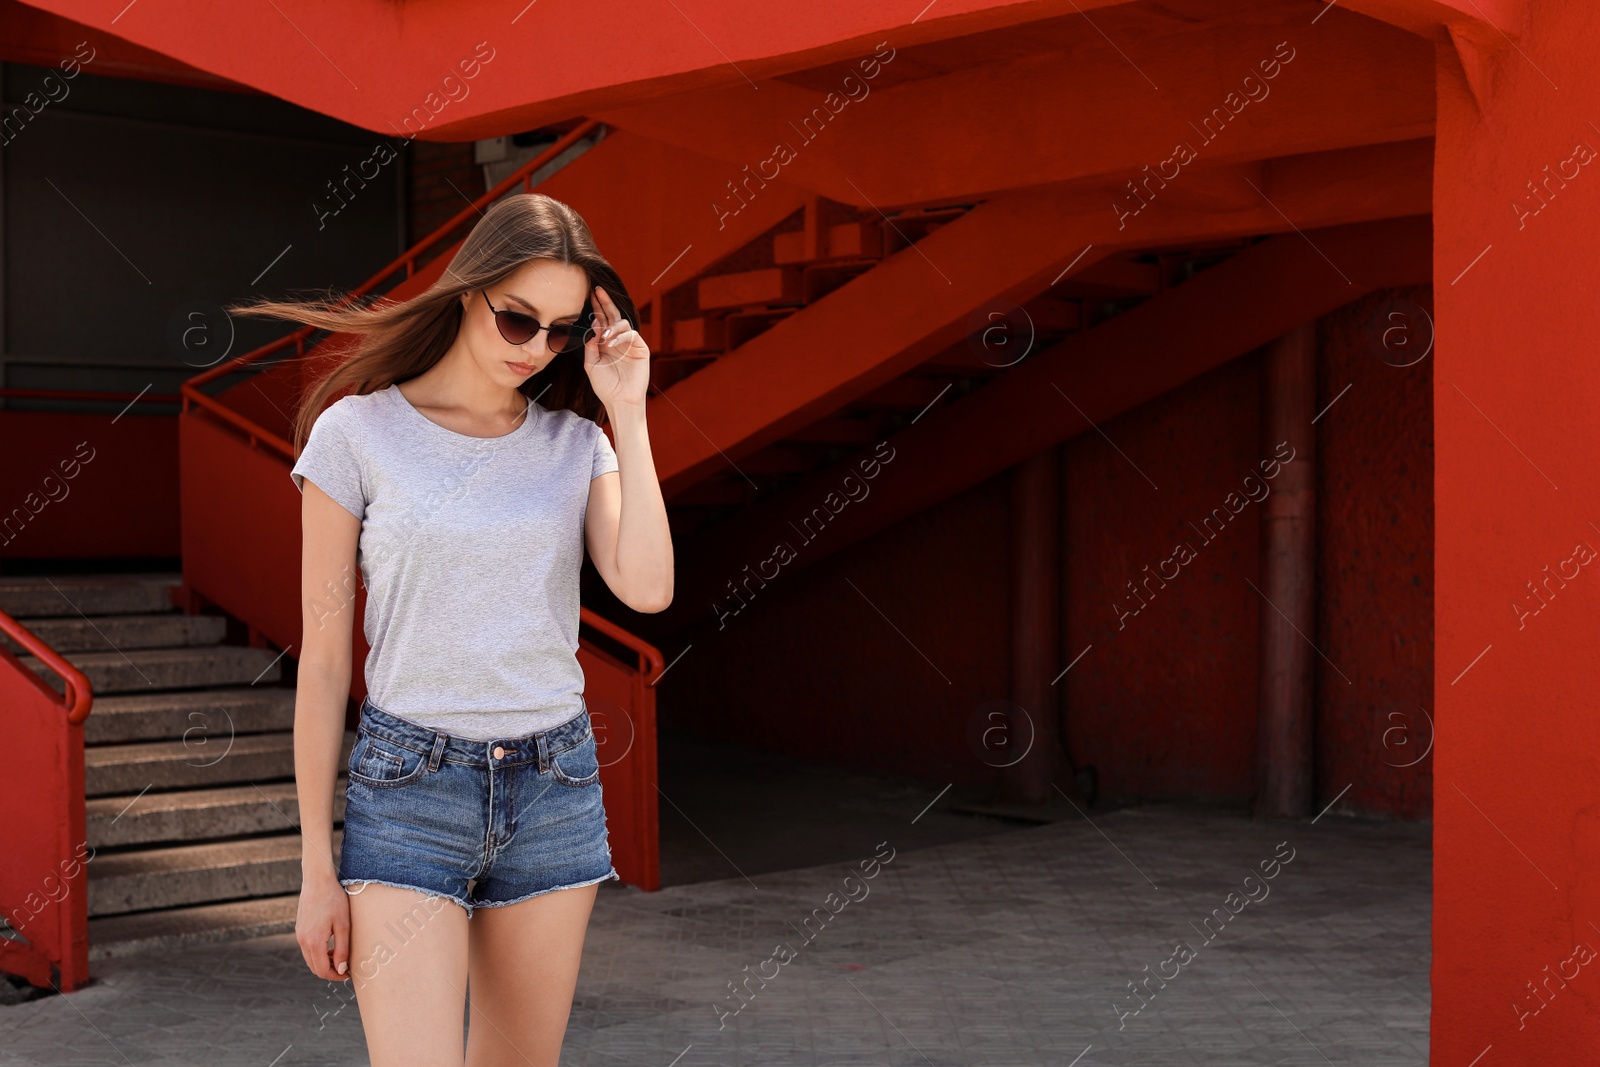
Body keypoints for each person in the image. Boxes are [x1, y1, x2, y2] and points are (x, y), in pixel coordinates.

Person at [237, 192, 672, 1066]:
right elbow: (323, 665)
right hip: (409, 789)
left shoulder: (574, 445)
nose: (537, 349)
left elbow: (649, 588)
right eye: (518, 320)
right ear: (469, 292)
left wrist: (628, 408)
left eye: (559, 332)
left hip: (554, 783)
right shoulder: (357, 434)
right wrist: (316, 870)